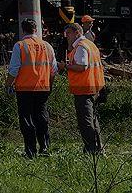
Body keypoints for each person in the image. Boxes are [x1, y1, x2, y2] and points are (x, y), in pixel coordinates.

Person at [7, 18, 58, 158]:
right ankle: (45, 148)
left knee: (26, 119)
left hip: (24, 89)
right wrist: (49, 85)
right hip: (43, 88)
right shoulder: (47, 46)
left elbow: (14, 69)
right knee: (42, 117)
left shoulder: (20, 46)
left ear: (23, 30)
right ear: (36, 29)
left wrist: (8, 84)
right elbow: (53, 70)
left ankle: (30, 151)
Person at [59, 22, 104, 155]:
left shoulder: (80, 47)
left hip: (84, 88)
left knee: (85, 121)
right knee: (93, 119)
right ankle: (98, 147)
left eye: (68, 33)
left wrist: (65, 66)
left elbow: (81, 66)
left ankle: (91, 149)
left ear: (77, 33)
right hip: (94, 86)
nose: (66, 36)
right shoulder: (90, 44)